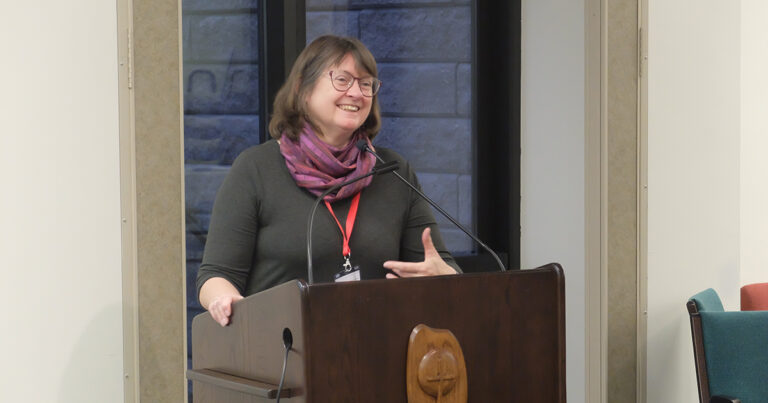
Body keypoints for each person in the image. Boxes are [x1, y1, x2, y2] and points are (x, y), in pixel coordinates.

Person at [197, 35, 461, 327]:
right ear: (302, 89)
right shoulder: (256, 168)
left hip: (376, 343)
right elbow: (215, 276)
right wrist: (226, 301)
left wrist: (445, 278)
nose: (356, 93)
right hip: (279, 344)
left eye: (366, 84)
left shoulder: (393, 172)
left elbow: (440, 267)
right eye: (343, 80)